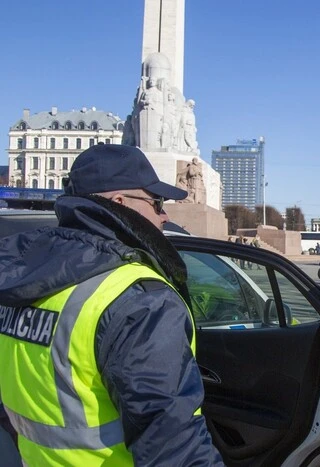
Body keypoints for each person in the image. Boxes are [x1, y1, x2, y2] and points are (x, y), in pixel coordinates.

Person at [0, 144, 223, 465]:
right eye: (156, 202)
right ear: (120, 202)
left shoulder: (18, 280)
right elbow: (174, 444)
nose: (165, 214)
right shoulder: (138, 297)